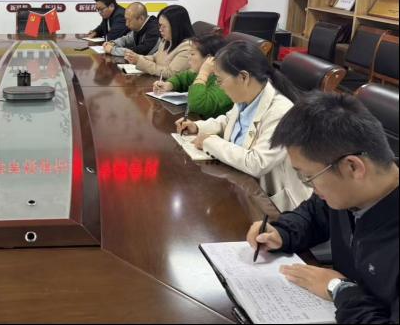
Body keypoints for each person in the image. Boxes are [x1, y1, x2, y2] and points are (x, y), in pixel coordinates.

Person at [246, 93, 398, 324]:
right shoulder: (350, 193)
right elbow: (314, 213)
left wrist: (339, 288)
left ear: (352, 167)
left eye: (308, 177)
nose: (312, 188)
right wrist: (282, 233)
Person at [177, 40, 310, 211]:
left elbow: (257, 163)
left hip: (271, 205)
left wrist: (209, 142)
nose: (219, 86)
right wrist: (198, 127)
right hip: (240, 186)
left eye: (219, 80)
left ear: (243, 77)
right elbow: (228, 121)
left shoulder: (281, 111)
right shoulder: (246, 97)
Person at [152, 34, 233, 119]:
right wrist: (169, 85)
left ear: (208, 59)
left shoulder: (224, 82)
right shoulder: (198, 73)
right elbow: (181, 78)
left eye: (192, 54)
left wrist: (204, 73)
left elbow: (198, 105)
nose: (188, 57)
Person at [126, 5, 194, 78]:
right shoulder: (166, 40)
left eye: (164, 26)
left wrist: (140, 62)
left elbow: (170, 73)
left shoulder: (188, 48)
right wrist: (137, 58)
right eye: (159, 25)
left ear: (176, 27)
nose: (160, 29)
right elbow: (155, 58)